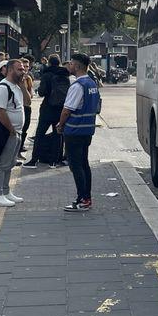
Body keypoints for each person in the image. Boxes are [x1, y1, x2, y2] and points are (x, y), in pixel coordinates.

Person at [57, 54, 101, 212]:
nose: (68, 66)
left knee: (76, 166)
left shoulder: (77, 86)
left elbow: (67, 110)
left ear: (76, 66)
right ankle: (87, 198)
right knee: (84, 164)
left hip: (74, 130)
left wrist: (61, 125)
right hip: (87, 130)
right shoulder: (92, 83)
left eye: (70, 64)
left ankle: (82, 199)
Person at [0, 59, 26, 207]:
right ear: (10, 70)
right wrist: (10, 129)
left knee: (10, 163)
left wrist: (23, 85)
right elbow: (0, 111)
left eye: (23, 69)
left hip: (17, 132)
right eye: (20, 69)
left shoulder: (16, 87)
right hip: (7, 132)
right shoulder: (3, 88)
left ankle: (5, 191)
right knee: (2, 163)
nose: (23, 72)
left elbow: (27, 102)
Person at [25, 55, 71, 168]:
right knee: (57, 135)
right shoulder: (65, 75)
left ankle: (34, 160)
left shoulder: (47, 75)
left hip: (47, 108)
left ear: (49, 63)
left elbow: (42, 92)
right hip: (60, 109)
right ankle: (54, 161)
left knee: (40, 134)